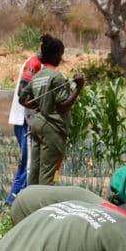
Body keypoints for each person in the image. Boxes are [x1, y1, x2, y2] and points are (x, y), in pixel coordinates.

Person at [19, 37, 84, 187]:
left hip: (37, 125)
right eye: (61, 54)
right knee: (48, 175)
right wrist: (78, 87)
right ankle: (43, 207)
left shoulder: (38, 76)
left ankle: (29, 205)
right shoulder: (57, 77)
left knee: (34, 172)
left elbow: (21, 98)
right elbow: (63, 106)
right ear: (55, 55)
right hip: (52, 129)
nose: (61, 58)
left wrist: (35, 104)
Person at [5, 38, 49, 204]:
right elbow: (22, 92)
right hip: (24, 119)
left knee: (27, 164)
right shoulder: (34, 64)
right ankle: (13, 200)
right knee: (28, 164)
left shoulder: (39, 64)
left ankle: (13, 199)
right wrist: (40, 106)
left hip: (27, 119)